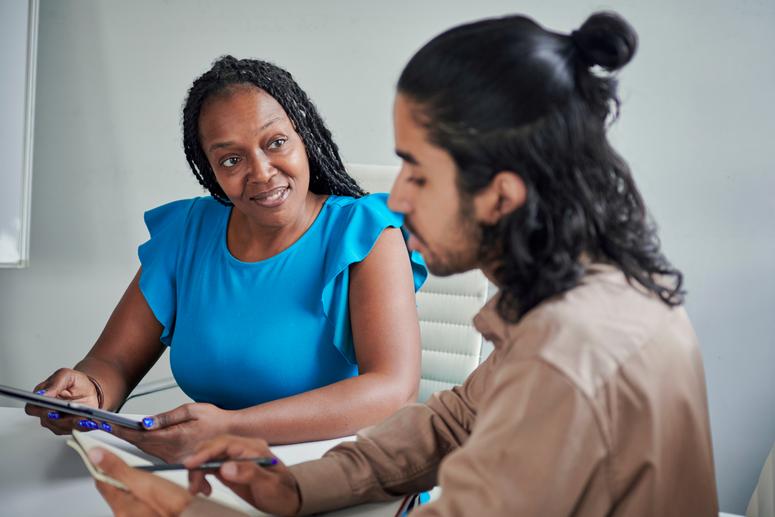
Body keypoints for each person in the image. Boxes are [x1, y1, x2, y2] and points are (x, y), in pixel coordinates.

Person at [90, 11, 719, 516]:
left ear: (501, 194)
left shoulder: (569, 356)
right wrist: (297, 488)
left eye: (417, 172)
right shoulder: (569, 303)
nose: (397, 198)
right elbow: (452, 423)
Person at [26, 56, 427, 462]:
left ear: (304, 135)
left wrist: (231, 429)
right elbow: (112, 361)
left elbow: (394, 389)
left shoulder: (364, 233)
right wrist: (89, 391)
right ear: (210, 171)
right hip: (207, 476)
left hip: (334, 476)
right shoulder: (187, 232)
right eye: (231, 160)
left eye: (276, 142)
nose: (261, 172)